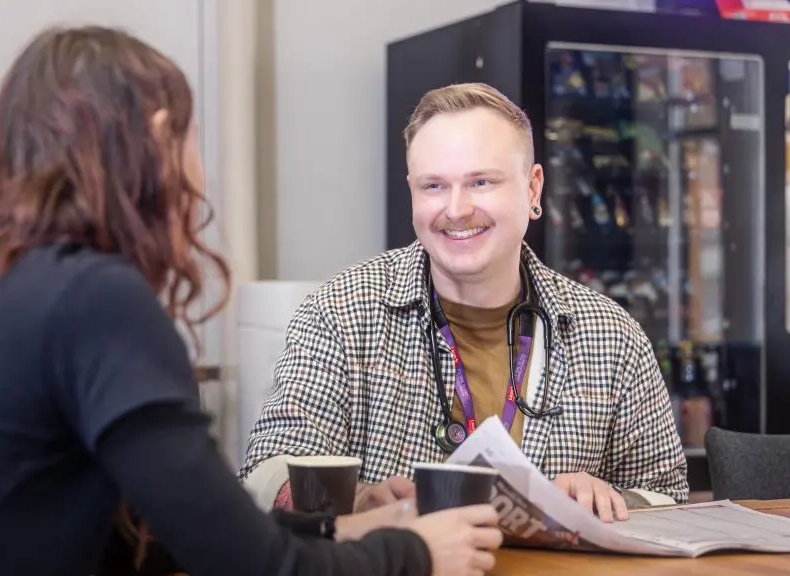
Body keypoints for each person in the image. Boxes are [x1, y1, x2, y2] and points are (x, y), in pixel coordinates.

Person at [0, 27, 506, 576]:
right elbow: (248, 569)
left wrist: (333, 534)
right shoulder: (93, 300)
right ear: (158, 141)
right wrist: (413, 553)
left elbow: (163, 532)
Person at [239, 83, 688, 522]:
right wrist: (357, 502)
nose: (456, 209)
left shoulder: (610, 334)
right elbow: (266, 471)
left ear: (533, 190)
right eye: (433, 186)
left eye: (480, 182)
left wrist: (609, 500)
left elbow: (669, 496)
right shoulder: (341, 312)